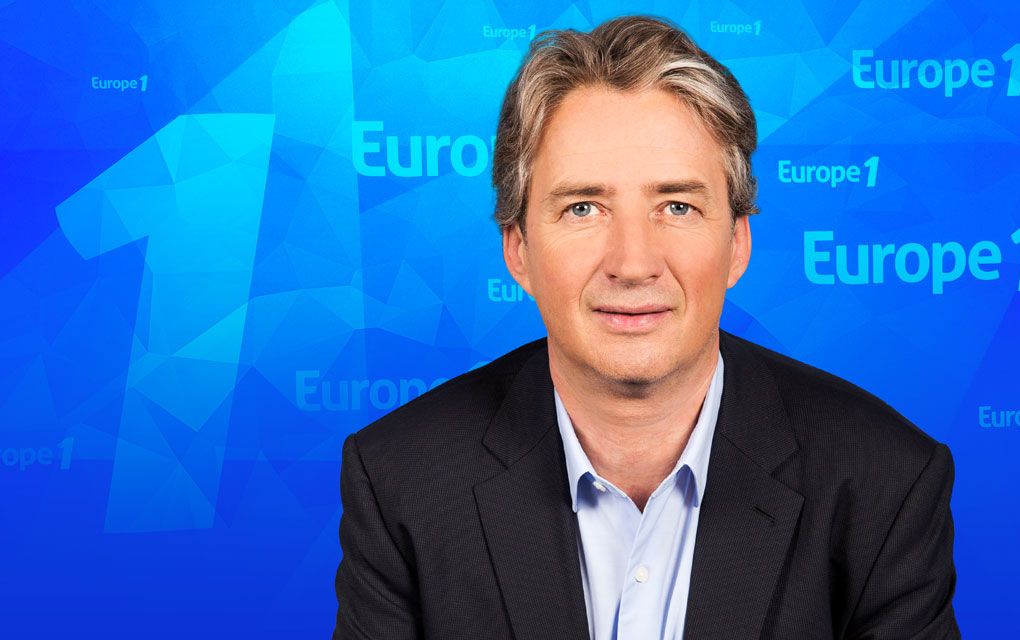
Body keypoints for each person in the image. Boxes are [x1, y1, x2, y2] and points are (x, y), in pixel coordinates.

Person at [333, 14, 959, 640]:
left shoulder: (885, 481)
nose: (633, 264)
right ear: (518, 249)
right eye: (583, 208)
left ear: (737, 244)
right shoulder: (400, 481)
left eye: (677, 206)